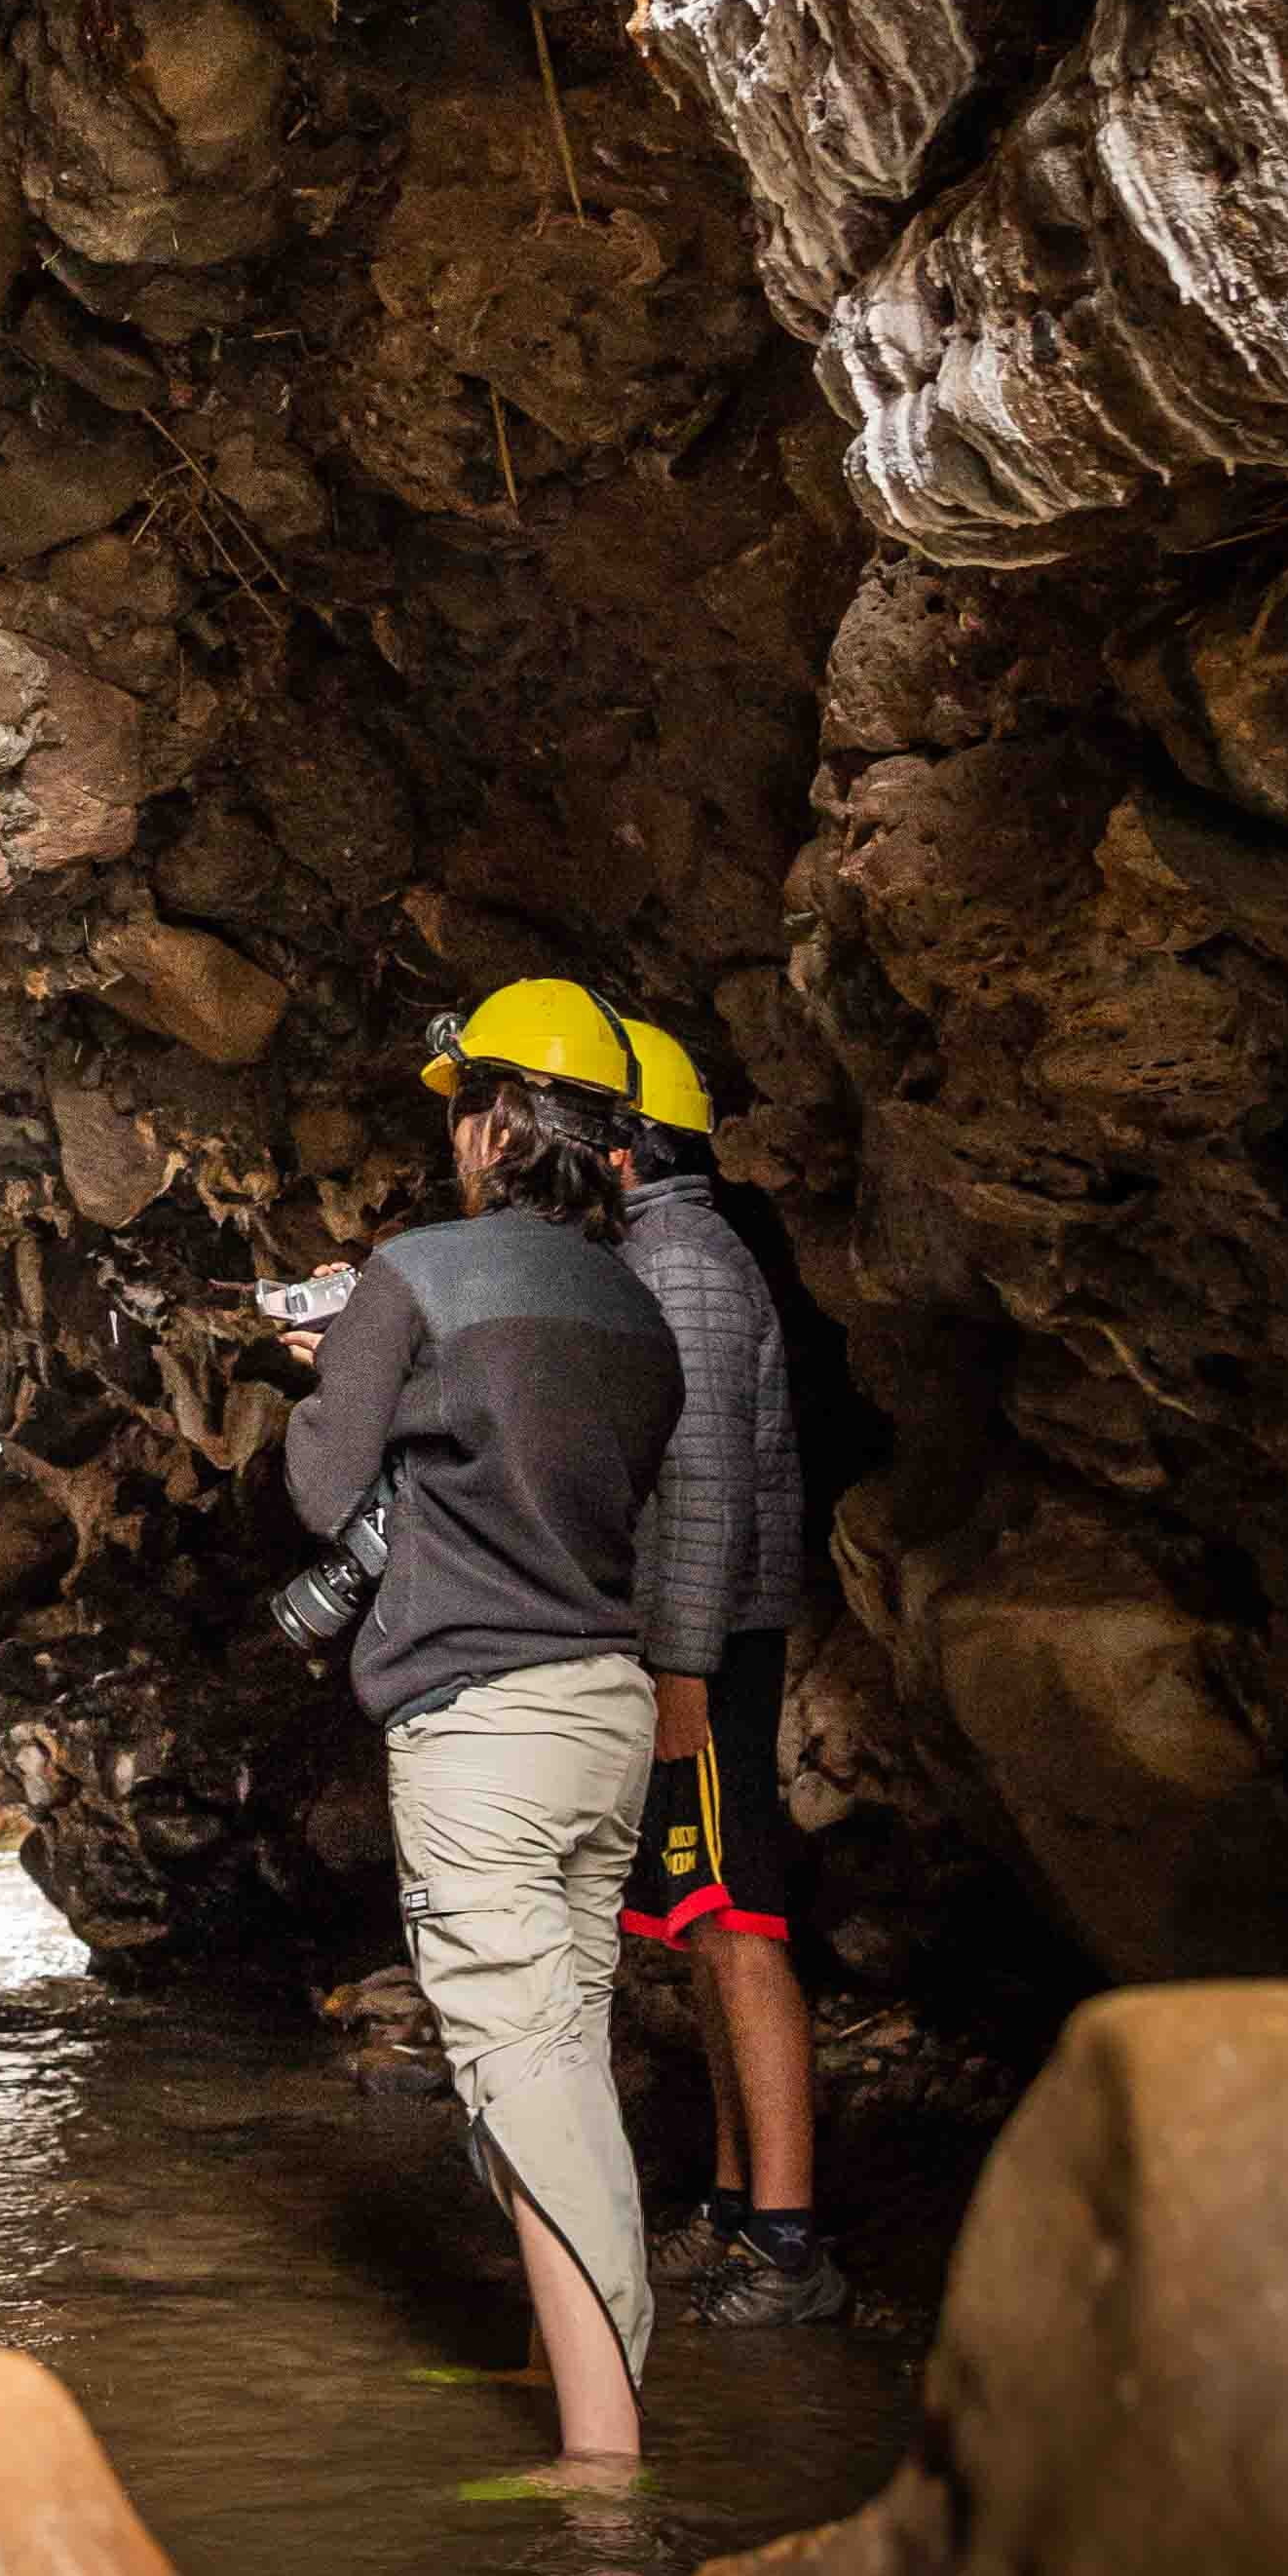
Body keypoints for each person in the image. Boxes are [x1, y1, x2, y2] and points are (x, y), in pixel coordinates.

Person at [285, 979, 684, 2468]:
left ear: (504, 1122)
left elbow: (330, 1491)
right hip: (605, 1708)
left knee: (522, 2069)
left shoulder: (418, 1272)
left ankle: (603, 2465)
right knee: (567, 2051)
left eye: (464, 1104)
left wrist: (333, 1369)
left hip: (483, 1730)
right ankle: (562, 2368)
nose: (453, 1132)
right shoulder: (634, 1303)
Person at [612, 1019, 847, 2328]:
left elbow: (700, 1487)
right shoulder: (660, 1253)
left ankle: (789, 2240)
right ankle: (735, 2200)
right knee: (699, 1919)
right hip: (689, 1641)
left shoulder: (684, 1267)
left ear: (628, 1139)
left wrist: (683, 1667)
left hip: (707, 1647)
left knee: (738, 1920)